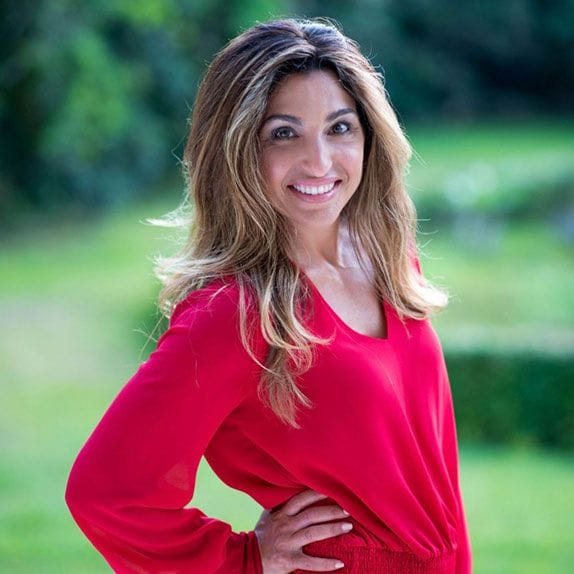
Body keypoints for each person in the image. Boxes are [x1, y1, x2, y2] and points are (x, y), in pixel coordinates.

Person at [65, 17, 473, 574]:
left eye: (339, 128)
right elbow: (106, 492)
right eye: (284, 133)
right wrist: (245, 559)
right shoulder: (234, 312)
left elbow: (434, 477)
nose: (320, 162)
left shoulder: (389, 261)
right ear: (236, 150)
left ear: (369, 135)